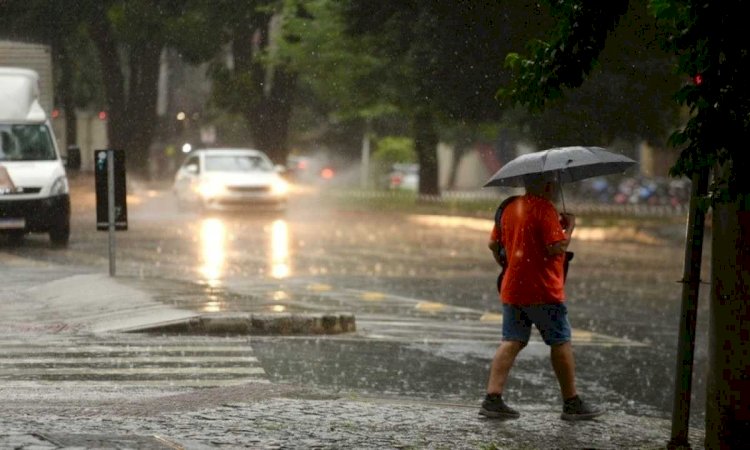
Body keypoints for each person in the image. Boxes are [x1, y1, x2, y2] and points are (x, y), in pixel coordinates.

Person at [479, 173, 603, 421]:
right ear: (546, 185)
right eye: (554, 184)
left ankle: (492, 399)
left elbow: (493, 244)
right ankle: (571, 402)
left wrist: (509, 265)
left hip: (513, 288)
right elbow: (555, 247)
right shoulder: (545, 209)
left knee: (511, 340)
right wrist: (569, 228)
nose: (556, 188)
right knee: (560, 342)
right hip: (544, 290)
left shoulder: (509, 207)